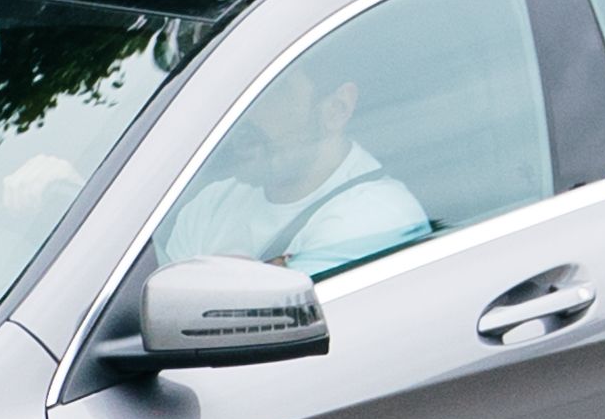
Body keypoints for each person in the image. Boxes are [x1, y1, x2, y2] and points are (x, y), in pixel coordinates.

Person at [162, 58, 431, 277]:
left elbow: (278, 335)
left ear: (337, 109)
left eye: (274, 91)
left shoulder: (373, 221)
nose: (244, 112)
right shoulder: (211, 205)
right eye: (242, 91)